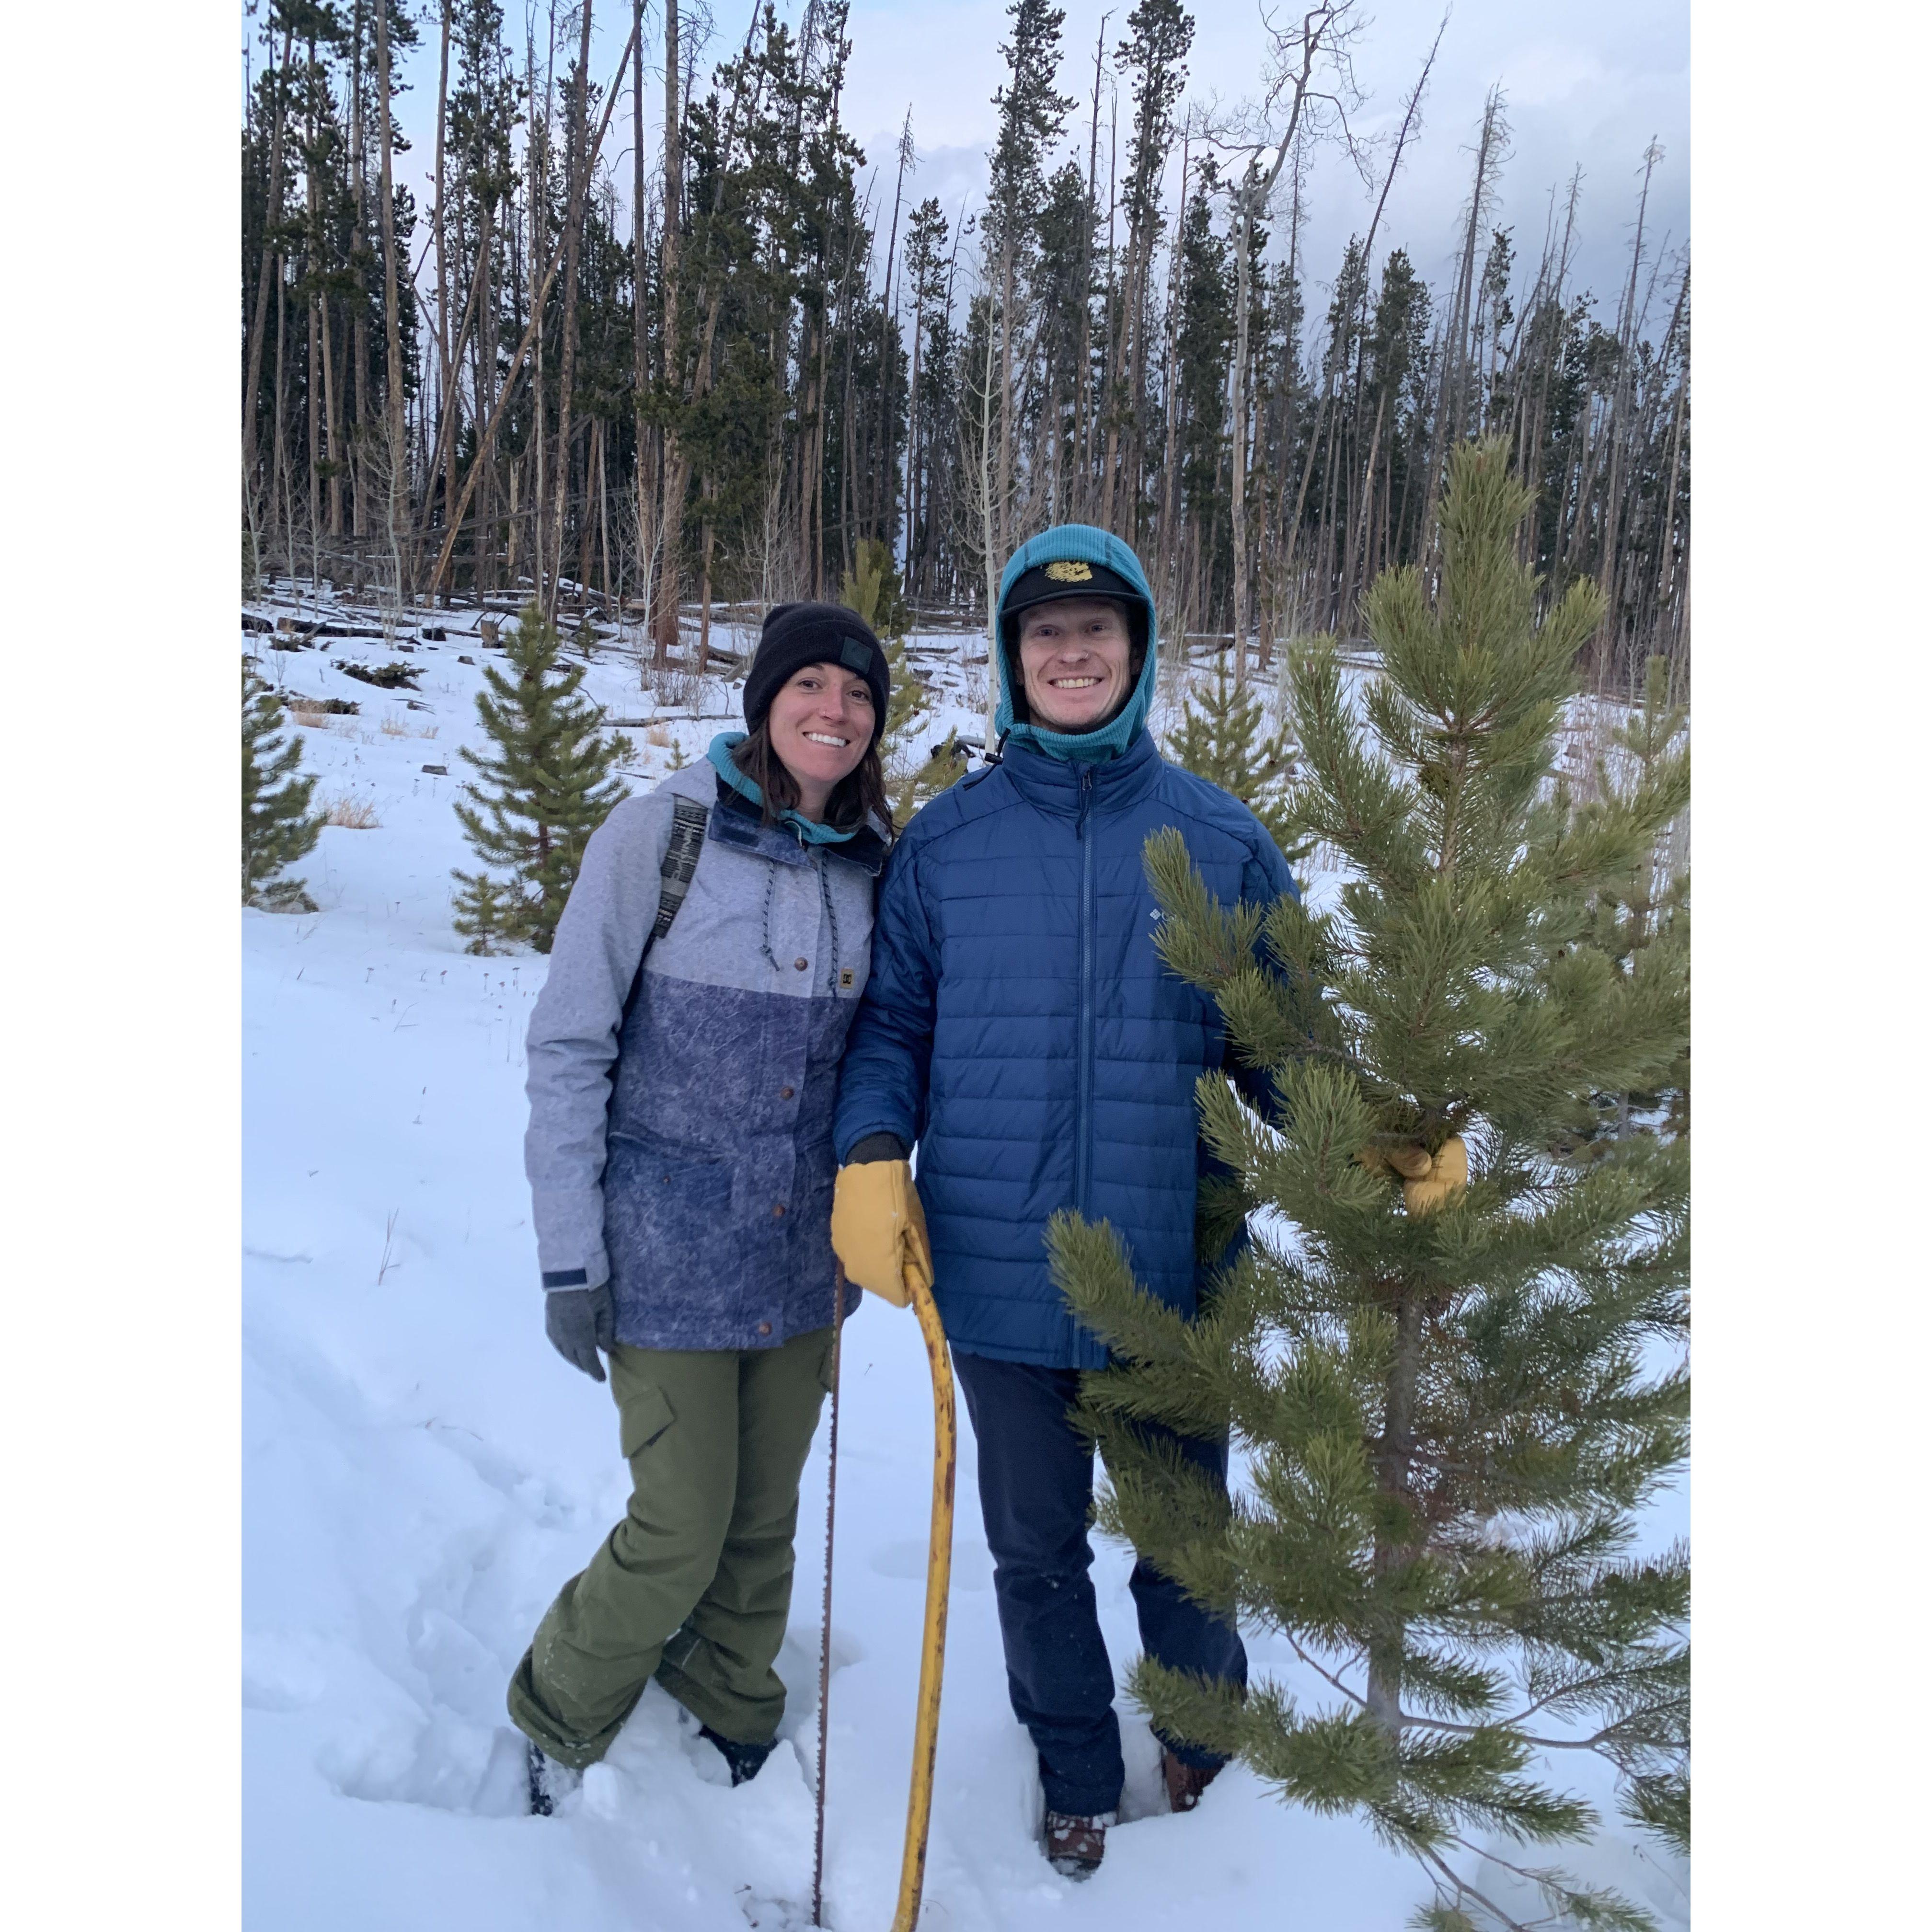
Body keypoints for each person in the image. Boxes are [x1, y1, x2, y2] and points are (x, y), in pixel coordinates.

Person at [829, 526, 1297, 1878]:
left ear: (1139, 655)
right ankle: (1079, 1770)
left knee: (1185, 1552)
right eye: (1046, 635)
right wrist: (871, 1149)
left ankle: (1206, 1750)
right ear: (1009, 661)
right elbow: (892, 1029)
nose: (1073, 653)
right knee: (1036, 1558)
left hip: (1174, 1268)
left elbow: (1285, 1045)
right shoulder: (948, 845)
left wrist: (1369, 1141)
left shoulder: (1220, 839)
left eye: (1098, 634)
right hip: (998, 1266)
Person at [507, 601, 893, 1813]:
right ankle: (562, 1706)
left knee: (762, 1517)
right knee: (681, 1521)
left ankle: (730, 1694)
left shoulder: (877, 866)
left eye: (859, 694)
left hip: (798, 1265)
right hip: (665, 1253)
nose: (835, 711)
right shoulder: (659, 836)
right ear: (767, 699)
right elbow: (570, 1044)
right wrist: (572, 1258)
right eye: (812, 686)